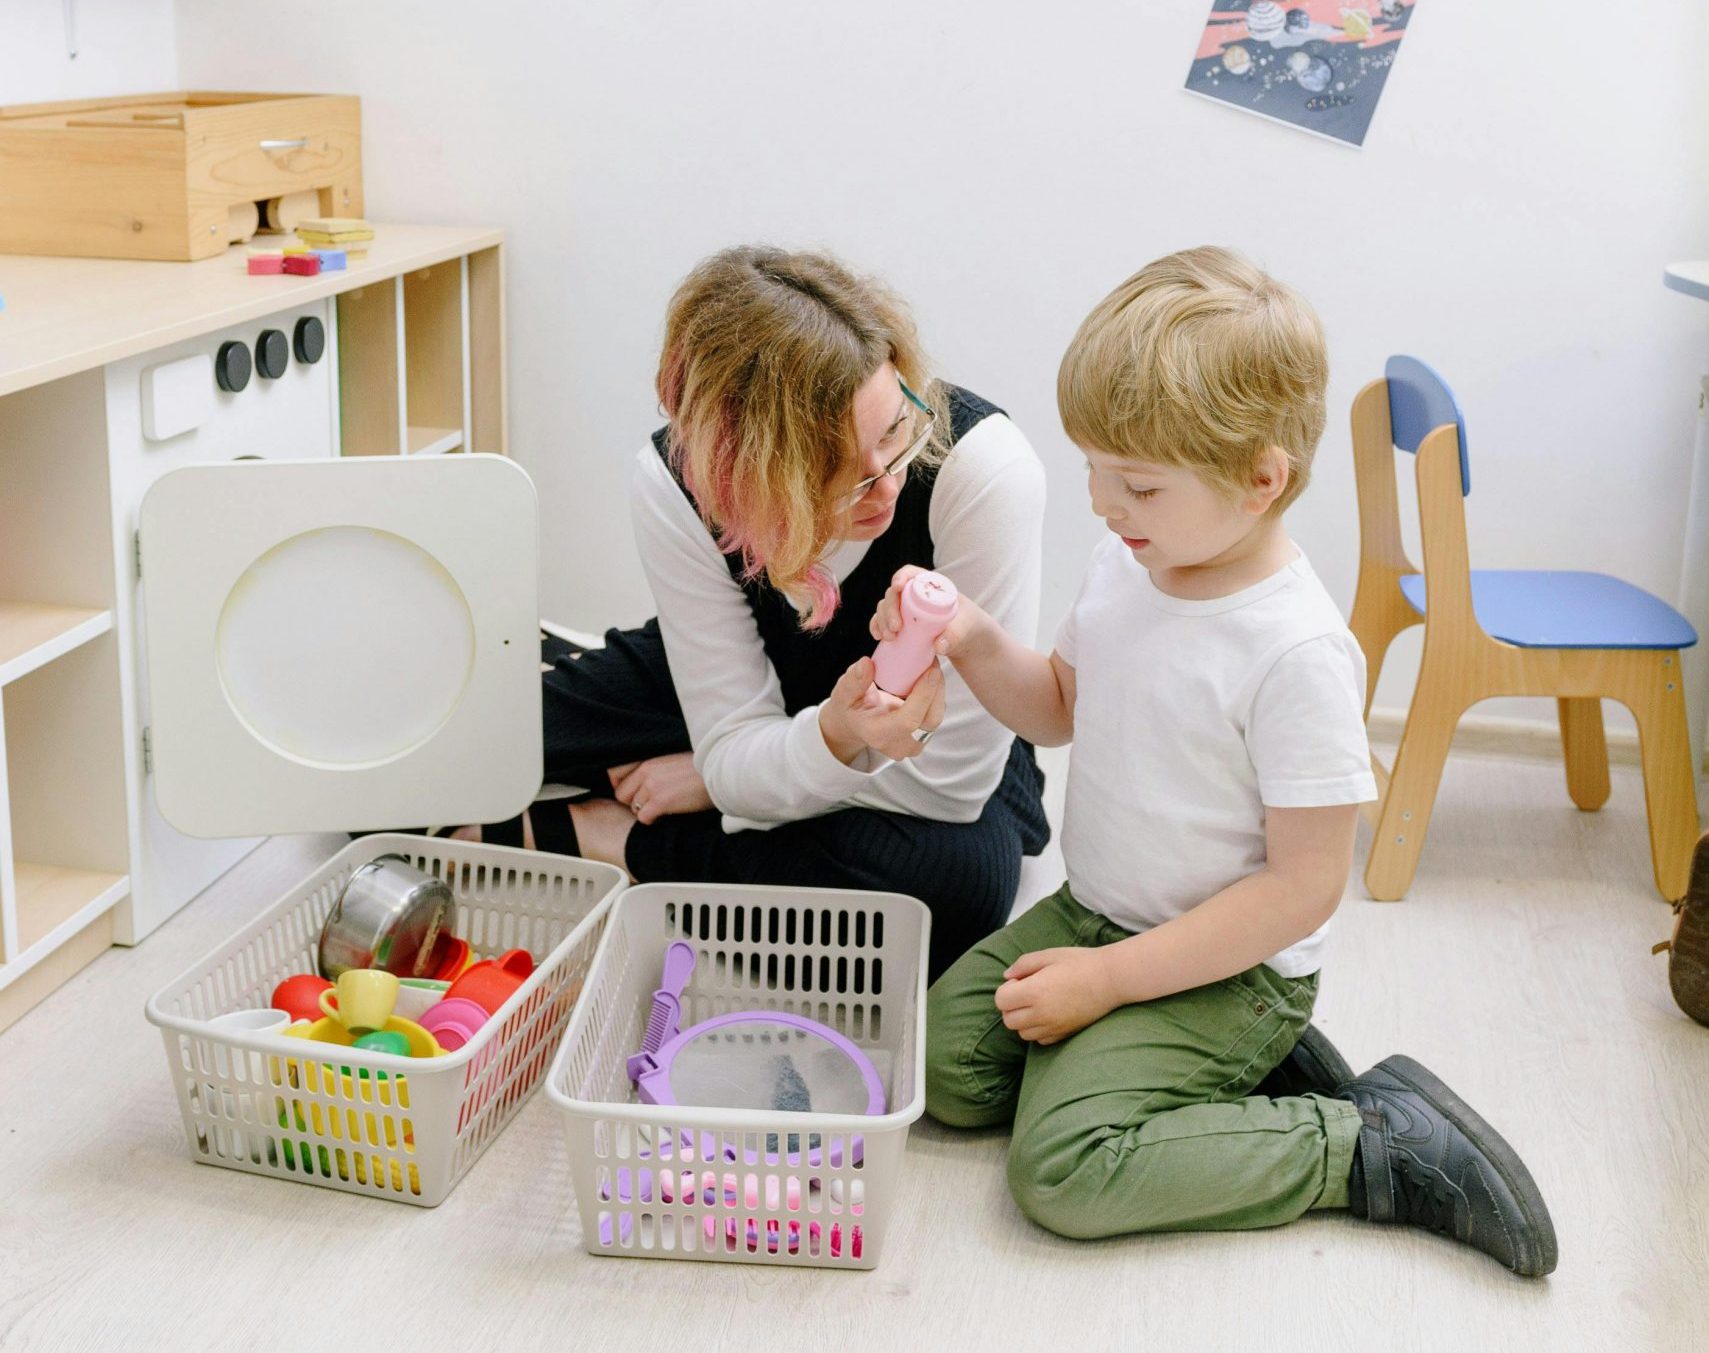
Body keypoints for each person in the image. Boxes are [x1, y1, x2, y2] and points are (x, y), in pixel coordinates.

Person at [890, 246, 1557, 1274]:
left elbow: (1299, 892)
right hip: (1099, 910)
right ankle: (1202, 1080)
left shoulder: (1292, 653)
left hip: (1231, 968)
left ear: (1260, 481)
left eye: (1138, 487)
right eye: (1093, 473)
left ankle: (1365, 1146)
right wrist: (973, 639)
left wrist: (1110, 984)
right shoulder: (1129, 564)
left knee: (1063, 1171)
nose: (1104, 508)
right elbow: (1058, 709)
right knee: (934, 1073)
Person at [451, 246, 1049, 978]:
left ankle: (617, 840)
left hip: (927, 756)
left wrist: (724, 778)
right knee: (427, 763)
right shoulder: (679, 482)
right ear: (741, 474)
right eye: (835, 473)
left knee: (949, 891)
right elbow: (734, 731)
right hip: (756, 667)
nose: (884, 489)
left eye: (893, 432)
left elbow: (948, 787)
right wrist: (746, 756)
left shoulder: (984, 474)